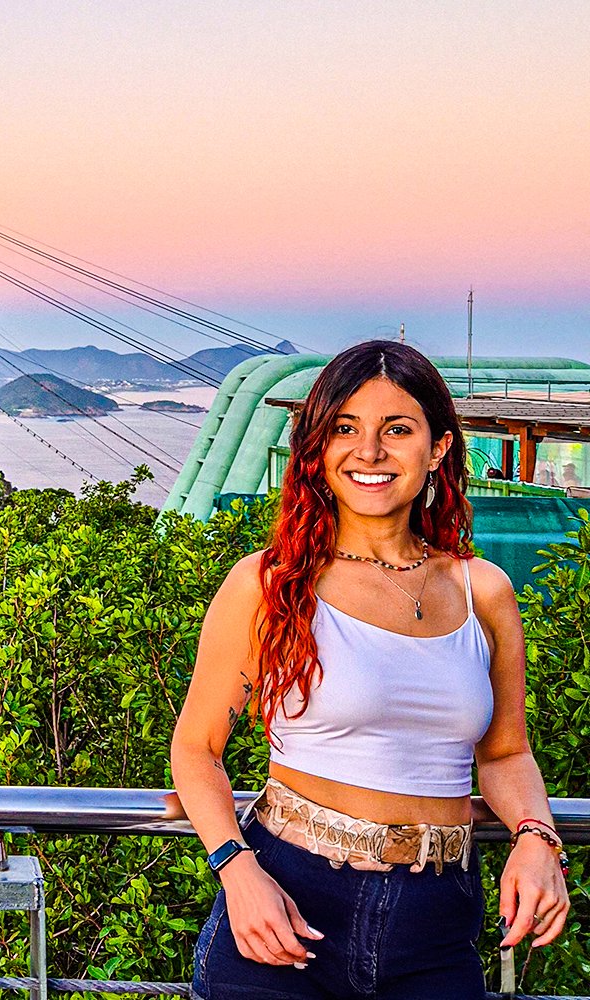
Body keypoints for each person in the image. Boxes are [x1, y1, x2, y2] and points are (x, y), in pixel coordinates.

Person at [171, 341, 569, 999]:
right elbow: (195, 748)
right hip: (286, 910)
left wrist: (535, 836)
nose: (370, 451)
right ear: (318, 449)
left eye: (397, 430)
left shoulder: (484, 591)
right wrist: (236, 871)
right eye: (346, 429)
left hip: (435, 923)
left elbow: (505, 755)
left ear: (438, 447)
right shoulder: (268, 584)